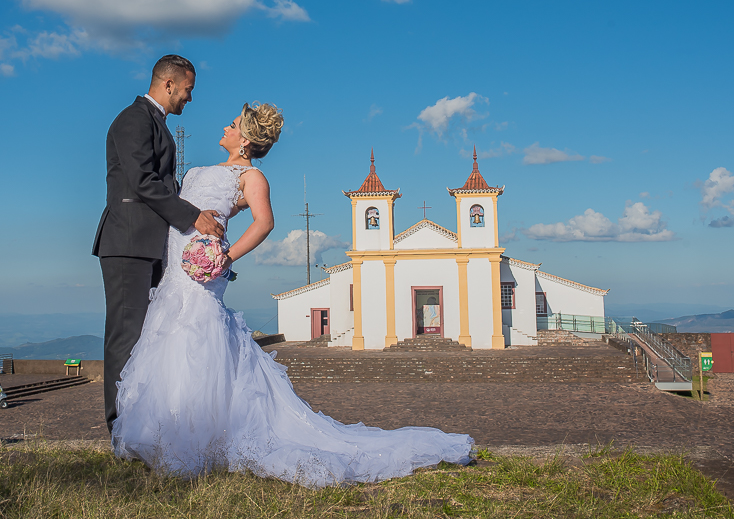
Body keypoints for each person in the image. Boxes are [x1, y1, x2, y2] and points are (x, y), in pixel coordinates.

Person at [112, 102, 474, 487]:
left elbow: (264, 222)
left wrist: (225, 257)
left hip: (205, 267)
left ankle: (195, 437)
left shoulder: (251, 177)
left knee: (195, 334)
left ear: (245, 140)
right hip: (177, 265)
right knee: (170, 333)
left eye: (232, 124)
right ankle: (166, 429)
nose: (225, 126)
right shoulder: (199, 170)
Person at [92, 54, 225, 433]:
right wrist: (190, 216)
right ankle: (120, 428)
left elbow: (163, 185)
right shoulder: (133, 119)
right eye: (187, 90)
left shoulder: (156, 123)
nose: (190, 98)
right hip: (127, 244)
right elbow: (141, 182)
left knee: (147, 336)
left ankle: (143, 424)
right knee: (126, 336)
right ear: (168, 84)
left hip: (150, 245)